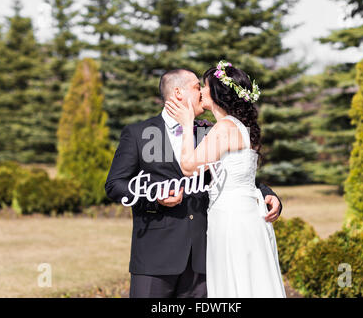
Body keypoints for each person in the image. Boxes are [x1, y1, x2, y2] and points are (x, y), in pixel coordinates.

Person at [105, 68, 283, 298]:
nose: (201, 93)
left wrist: (268, 194)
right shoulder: (139, 133)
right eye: (196, 87)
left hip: (204, 258)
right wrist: (154, 197)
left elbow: (236, 173)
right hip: (155, 258)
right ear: (178, 93)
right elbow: (115, 184)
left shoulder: (211, 131)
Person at [164, 61, 286, 297]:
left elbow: (189, 167)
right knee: (251, 280)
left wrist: (187, 124)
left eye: (205, 86)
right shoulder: (242, 127)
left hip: (232, 218)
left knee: (236, 281)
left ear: (217, 93)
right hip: (246, 213)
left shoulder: (225, 128)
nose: (200, 91)